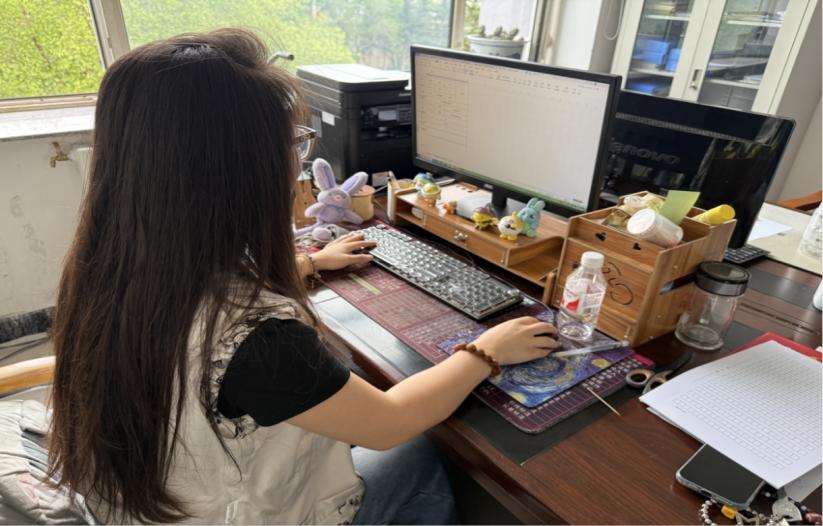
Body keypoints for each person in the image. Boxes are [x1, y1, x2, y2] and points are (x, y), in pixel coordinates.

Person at [49, 28, 559, 524]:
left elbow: (200, 306)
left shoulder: (110, 266)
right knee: (425, 451)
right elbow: (389, 423)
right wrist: (486, 351)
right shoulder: (260, 342)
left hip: (145, 503)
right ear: (236, 169)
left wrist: (311, 261)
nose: (296, 160)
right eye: (291, 142)